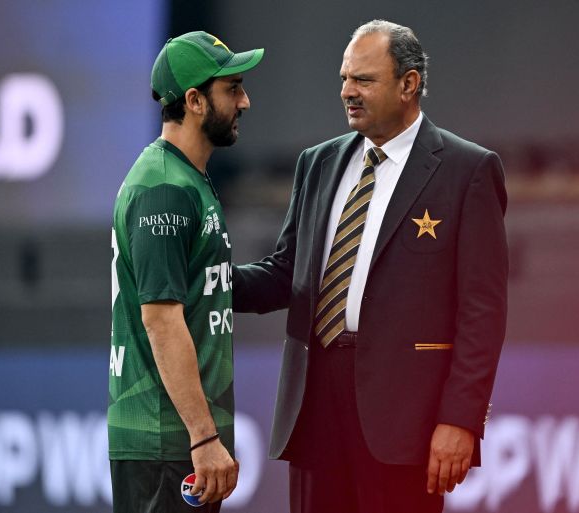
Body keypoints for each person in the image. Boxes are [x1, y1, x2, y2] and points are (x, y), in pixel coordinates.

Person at [233, 20, 507, 513]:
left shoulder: (468, 170)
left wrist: (461, 419)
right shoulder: (317, 163)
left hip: (407, 420)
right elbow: (285, 274)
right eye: (344, 79)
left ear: (409, 84)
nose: (347, 92)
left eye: (363, 80)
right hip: (314, 407)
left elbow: (482, 312)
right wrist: (210, 281)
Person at [108, 31, 263, 513]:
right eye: (232, 88)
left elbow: (207, 287)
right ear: (195, 100)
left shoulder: (184, 178)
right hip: (166, 440)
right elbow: (161, 320)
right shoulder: (164, 189)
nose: (245, 100)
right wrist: (202, 438)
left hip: (174, 438)